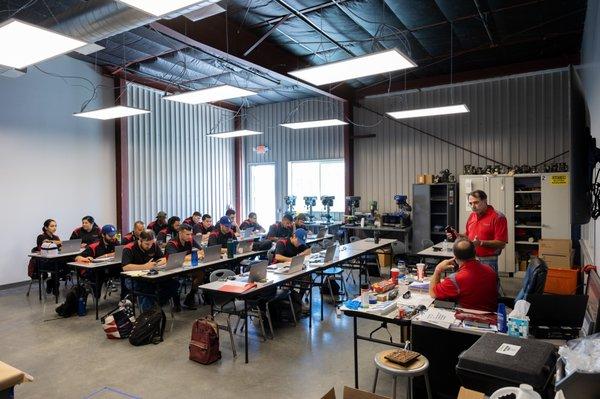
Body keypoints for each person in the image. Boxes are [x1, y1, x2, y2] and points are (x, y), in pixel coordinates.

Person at [447, 190, 508, 273]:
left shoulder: (498, 217)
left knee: (488, 285)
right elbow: (469, 235)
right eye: (470, 203)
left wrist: (481, 243)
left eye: (476, 202)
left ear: (485, 201)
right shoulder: (472, 215)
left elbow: (501, 243)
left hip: (488, 260)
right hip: (471, 259)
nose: (473, 206)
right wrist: (458, 235)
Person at [429, 239, 498, 312]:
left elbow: (433, 293)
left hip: (469, 317)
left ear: (455, 257)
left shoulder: (455, 279)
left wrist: (437, 270)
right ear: (475, 252)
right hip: (493, 316)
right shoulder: (491, 270)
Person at [122, 230, 180, 312]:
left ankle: (156, 305)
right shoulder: (129, 248)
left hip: (151, 276)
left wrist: (156, 263)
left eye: (151, 243)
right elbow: (125, 267)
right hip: (134, 279)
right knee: (149, 289)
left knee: (174, 284)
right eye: (146, 244)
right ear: (140, 240)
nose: (149, 246)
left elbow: (163, 258)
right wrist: (144, 266)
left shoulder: (154, 245)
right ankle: (148, 313)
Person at [74, 225, 120, 297]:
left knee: (124, 273)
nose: (113, 237)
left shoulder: (115, 243)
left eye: (114, 235)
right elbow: (77, 258)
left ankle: (124, 298)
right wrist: (86, 259)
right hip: (96, 271)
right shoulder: (94, 246)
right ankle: (96, 297)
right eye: (110, 236)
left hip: (110, 268)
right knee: (97, 276)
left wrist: (108, 255)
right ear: (103, 235)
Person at [165, 223, 203, 309]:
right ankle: (176, 303)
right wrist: (191, 256)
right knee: (175, 281)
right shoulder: (171, 244)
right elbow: (176, 258)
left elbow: (201, 250)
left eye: (191, 234)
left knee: (201, 273)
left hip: (187, 268)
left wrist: (190, 256)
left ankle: (190, 298)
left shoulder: (190, 240)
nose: (190, 237)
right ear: (180, 233)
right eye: (187, 234)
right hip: (173, 270)